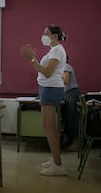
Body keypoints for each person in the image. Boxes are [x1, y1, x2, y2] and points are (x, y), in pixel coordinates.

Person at [20, 24, 67, 176]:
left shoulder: (57, 50)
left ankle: (58, 165)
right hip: (48, 89)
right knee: (48, 126)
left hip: (51, 89)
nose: (43, 35)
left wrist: (32, 59)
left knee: (49, 126)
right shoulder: (53, 51)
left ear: (54, 35)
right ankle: (55, 160)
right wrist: (33, 59)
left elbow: (47, 72)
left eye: (46, 33)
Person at [62, 55, 81, 152]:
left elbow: (65, 81)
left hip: (71, 93)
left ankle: (76, 144)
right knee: (68, 118)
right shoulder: (62, 67)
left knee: (72, 118)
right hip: (67, 94)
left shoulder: (65, 66)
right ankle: (70, 141)